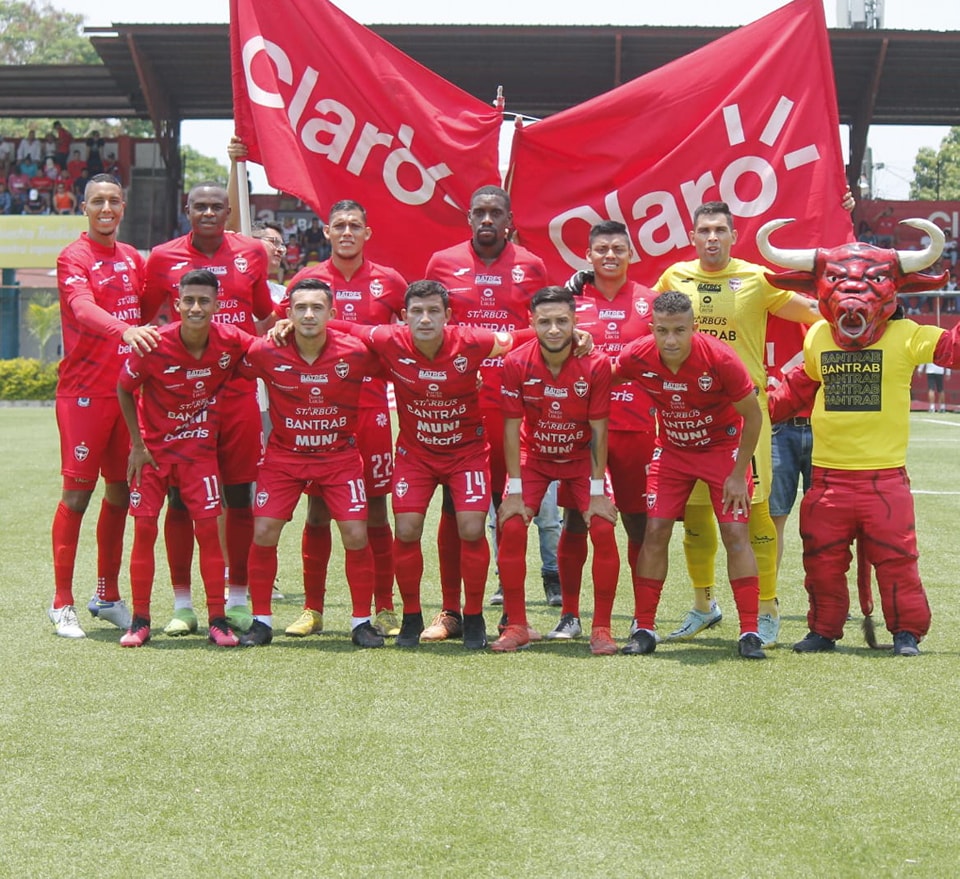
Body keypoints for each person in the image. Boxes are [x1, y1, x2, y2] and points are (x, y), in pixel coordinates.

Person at [763, 218, 958, 655]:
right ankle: (824, 629)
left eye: (872, 283)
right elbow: (794, 390)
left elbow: (955, 350)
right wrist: (747, 405)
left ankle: (905, 632)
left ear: (892, 291)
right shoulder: (816, 336)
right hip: (827, 480)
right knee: (821, 561)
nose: (854, 299)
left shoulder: (907, 336)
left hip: (884, 480)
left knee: (897, 561)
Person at [653, 200, 823, 647]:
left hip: (746, 416)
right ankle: (704, 605)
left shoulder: (757, 278)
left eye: (720, 230)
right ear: (692, 236)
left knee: (755, 511)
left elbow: (812, 312)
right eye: (704, 229)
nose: (712, 237)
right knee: (694, 514)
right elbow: (643, 317)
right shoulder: (675, 278)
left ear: (733, 236)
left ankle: (766, 609)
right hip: (687, 415)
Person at [142, 182, 274, 637]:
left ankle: (236, 597)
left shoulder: (252, 252)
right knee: (179, 498)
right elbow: (147, 321)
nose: (209, 213)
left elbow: (263, 315)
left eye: (218, 206)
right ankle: (183, 604)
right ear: (187, 210)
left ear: (229, 211)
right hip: (181, 401)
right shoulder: (162, 257)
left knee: (239, 495)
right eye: (200, 206)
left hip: (236, 394)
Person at [272, 196, 407, 638]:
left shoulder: (390, 282)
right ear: (326, 232)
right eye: (339, 226)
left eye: (355, 225)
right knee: (316, 512)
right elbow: (280, 332)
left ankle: (383, 606)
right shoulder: (307, 281)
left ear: (368, 233)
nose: (347, 232)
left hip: (370, 410)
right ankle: (313, 608)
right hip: (318, 411)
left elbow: (405, 339)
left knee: (374, 510)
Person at [354, 280, 515, 649]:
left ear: (448, 316)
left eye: (433, 312)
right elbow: (344, 328)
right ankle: (412, 617)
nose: (425, 319)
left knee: (472, 527)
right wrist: (289, 324)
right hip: (416, 455)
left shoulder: (472, 340)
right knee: (407, 529)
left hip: (467, 453)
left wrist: (575, 334)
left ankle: (473, 616)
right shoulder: (388, 338)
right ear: (404, 316)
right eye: (416, 312)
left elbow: (519, 337)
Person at [425, 184, 557, 618]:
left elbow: (545, 330)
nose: (487, 219)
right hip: (457, 402)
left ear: (509, 220)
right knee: (455, 504)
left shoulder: (532, 266)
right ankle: (450, 610)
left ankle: (510, 611)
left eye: (494, 213)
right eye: (479, 212)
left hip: (513, 404)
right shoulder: (441, 262)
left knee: (509, 502)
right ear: (468, 217)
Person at [616, 291, 765, 659]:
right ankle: (644, 627)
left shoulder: (720, 358)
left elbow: (754, 415)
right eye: (662, 330)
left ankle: (750, 631)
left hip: (721, 449)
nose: (670, 340)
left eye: (679, 330)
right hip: (673, 451)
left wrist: (737, 473)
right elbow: (601, 375)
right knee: (655, 531)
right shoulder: (636, 354)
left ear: (693, 328)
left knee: (735, 531)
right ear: (651, 327)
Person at [237, 279, 384, 648]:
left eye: (317, 308)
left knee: (355, 534)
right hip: (284, 457)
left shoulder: (355, 352)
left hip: (339, 457)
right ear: (287, 314)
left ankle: (361, 622)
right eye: (300, 308)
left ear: (332, 315)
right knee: (264, 532)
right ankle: (261, 621)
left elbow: (400, 365)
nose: (308, 314)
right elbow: (226, 365)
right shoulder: (266, 350)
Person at [47, 174, 160, 638]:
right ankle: (61, 602)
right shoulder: (74, 256)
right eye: (98, 201)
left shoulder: (133, 257)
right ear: (85, 208)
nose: (107, 208)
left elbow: (149, 307)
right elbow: (80, 307)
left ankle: (107, 594)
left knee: (120, 492)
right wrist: (124, 331)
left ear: (123, 206)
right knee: (78, 495)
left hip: (126, 396)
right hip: (84, 395)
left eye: (114, 200)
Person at [117, 270, 256, 647]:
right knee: (144, 531)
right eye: (189, 300)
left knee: (209, 531)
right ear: (176, 304)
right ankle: (140, 621)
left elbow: (262, 351)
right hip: (154, 456)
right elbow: (124, 388)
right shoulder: (152, 344)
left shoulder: (230, 340)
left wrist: (281, 331)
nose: (196, 307)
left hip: (199, 455)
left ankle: (217, 620)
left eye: (204, 301)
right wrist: (137, 444)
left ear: (216, 305)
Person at [493, 286, 620, 654]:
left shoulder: (595, 364)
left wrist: (597, 494)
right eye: (544, 321)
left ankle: (601, 628)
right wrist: (514, 488)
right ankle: (516, 624)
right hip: (536, 457)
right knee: (512, 523)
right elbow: (511, 428)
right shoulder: (515, 362)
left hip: (581, 458)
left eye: (562, 321)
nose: (553, 329)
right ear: (531, 322)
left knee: (602, 527)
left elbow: (599, 430)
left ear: (575, 322)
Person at [559, 220, 658, 640]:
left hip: (636, 429)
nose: (610, 256)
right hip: (583, 431)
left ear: (631, 254)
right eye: (602, 249)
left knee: (638, 524)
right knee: (577, 521)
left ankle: (640, 615)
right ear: (589, 256)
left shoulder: (650, 302)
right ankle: (570, 614)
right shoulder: (571, 302)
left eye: (619, 248)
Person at [764, 316, 813, 573]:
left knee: (826, 524)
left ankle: (829, 598)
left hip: (823, 425)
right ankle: (766, 598)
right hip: (777, 425)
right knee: (772, 519)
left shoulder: (820, 310)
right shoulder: (755, 305)